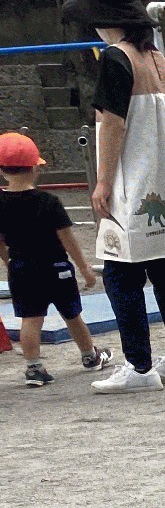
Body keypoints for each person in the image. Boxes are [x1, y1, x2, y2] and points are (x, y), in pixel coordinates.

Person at [62, 0, 165, 395]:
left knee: (121, 275)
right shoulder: (160, 60)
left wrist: (102, 181)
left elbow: (112, 123)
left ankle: (139, 366)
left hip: (135, 179)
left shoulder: (116, 58)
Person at [0, 132, 113, 385]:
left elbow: (0, 241)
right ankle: (90, 356)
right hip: (55, 267)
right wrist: (84, 268)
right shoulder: (49, 201)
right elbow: (67, 238)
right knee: (72, 315)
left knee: (30, 319)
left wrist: (10, 262)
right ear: (35, 168)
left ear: (2, 170)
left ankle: (34, 368)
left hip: (21, 268)